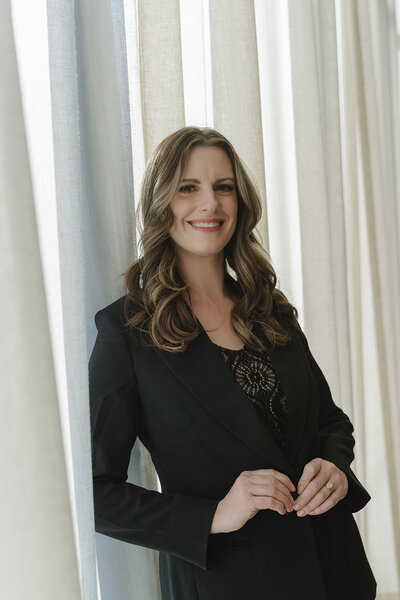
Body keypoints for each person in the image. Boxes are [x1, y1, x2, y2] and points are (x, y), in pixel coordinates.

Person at [89, 126, 377, 600]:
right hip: (227, 584)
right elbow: (96, 493)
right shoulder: (126, 334)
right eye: (189, 188)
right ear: (163, 204)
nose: (211, 204)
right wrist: (214, 515)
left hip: (335, 570)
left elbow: (329, 420)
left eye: (223, 187)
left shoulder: (270, 309)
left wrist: (334, 464)